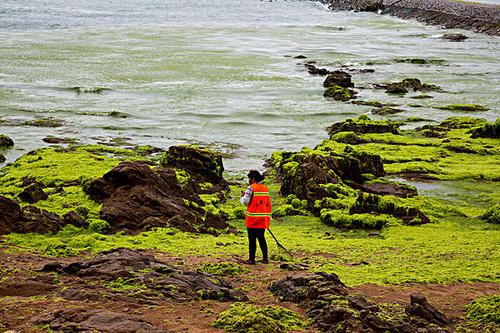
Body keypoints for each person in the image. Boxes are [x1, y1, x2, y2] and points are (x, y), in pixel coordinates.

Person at [240, 170, 271, 265]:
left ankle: (251, 259)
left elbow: (245, 201)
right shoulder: (265, 188)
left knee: (252, 240)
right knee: (262, 238)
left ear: (253, 179)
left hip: (253, 218)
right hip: (263, 218)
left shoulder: (250, 188)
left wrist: (242, 197)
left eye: (249, 178)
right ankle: (265, 258)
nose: (248, 180)